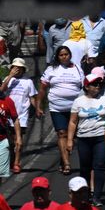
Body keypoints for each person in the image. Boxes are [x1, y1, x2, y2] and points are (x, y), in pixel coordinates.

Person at [37, 46, 84, 175]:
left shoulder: (77, 69)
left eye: (66, 54)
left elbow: (84, 86)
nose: (64, 57)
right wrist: (38, 105)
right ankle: (67, 163)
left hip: (75, 108)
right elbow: (42, 88)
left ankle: (64, 159)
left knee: (72, 137)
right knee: (62, 133)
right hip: (56, 107)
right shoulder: (51, 69)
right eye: (61, 55)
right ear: (57, 56)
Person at [68, 74, 105, 206]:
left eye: (99, 84)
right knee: (85, 168)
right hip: (83, 139)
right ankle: (85, 195)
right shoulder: (78, 101)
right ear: (86, 86)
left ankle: (97, 197)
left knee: (99, 166)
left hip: (100, 137)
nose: (97, 86)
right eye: (94, 84)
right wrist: (70, 140)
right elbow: (72, 122)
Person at [1, 58, 36, 173]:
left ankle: (16, 162)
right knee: (8, 141)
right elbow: (1, 90)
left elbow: (32, 97)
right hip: (7, 115)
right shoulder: (7, 79)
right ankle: (9, 161)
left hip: (21, 115)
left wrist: (37, 108)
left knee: (18, 140)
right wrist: (10, 76)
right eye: (15, 67)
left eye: (19, 68)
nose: (17, 70)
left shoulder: (28, 81)